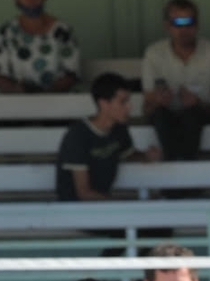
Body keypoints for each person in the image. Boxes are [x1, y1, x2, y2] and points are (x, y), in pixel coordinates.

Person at [140, 0, 210, 162]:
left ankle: (177, 176)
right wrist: (158, 102)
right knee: (161, 116)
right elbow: (147, 110)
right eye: (177, 24)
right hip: (166, 117)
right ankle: (183, 176)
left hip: (202, 116)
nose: (184, 30)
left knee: (191, 115)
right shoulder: (154, 54)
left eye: (189, 23)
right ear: (167, 26)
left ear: (197, 25)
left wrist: (199, 104)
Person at [56, 73, 160, 202]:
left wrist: (146, 156)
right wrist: (119, 207)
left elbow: (127, 154)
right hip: (75, 211)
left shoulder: (119, 128)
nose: (129, 107)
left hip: (102, 206)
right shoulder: (78, 135)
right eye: (123, 102)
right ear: (104, 104)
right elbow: (83, 193)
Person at [0, 0, 80, 94]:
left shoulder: (63, 30)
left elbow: (71, 73)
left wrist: (48, 95)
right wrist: (17, 90)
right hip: (17, 102)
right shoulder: (7, 32)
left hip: (57, 101)